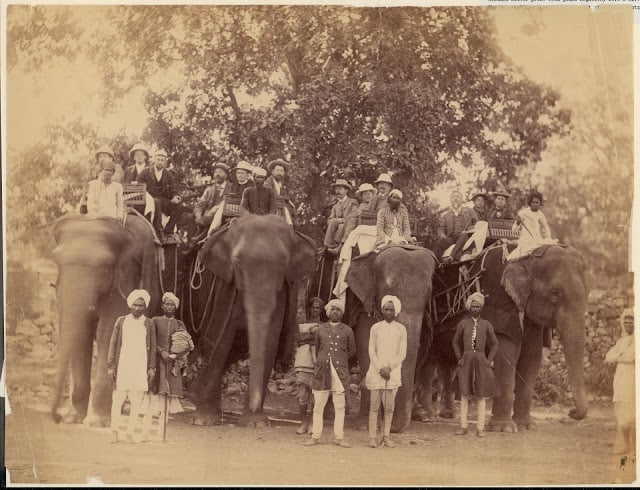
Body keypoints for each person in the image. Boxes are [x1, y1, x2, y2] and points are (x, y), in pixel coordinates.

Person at [304, 299, 356, 448]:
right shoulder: (321, 329)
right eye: (333, 309)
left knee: (340, 406)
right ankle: (315, 436)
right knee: (318, 405)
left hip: (340, 372)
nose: (335, 312)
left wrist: (340, 358)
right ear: (328, 312)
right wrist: (322, 360)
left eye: (338, 310)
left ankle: (339, 437)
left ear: (341, 313)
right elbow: (318, 348)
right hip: (322, 371)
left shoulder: (347, 330)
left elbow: (352, 351)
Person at [107, 289, 156, 443]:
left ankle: (129, 434)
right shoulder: (121, 321)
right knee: (117, 401)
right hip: (123, 366)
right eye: (135, 305)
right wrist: (111, 366)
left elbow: (153, 347)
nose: (137, 308)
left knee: (136, 403)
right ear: (130, 305)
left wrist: (151, 367)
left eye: (141, 305)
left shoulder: (149, 323)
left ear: (145, 306)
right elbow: (113, 344)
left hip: (140, 367)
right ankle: (115, 432)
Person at [452, 292, 499, 438]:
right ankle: (463, 427)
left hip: (480, 360)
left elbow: (495, 344)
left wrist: (488, 359)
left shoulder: (486, 325)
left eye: (478, 306)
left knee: (481, 395)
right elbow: (455, 342)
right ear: (469, 307)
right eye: (473, 306)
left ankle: (480, 428)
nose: (475, 309)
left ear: (481, 308)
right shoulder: (463, 324)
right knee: (464, 394)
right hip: (466, 360)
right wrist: (459, 357)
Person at [365, 295, 407, 448]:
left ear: (396, 311)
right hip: (377, 372)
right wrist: (379, 367)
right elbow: (371, 350)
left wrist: (390, 367)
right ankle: (371, 437)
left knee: (389, 408)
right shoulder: (375, 328)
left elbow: (402, 353)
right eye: (386, 309)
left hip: (392, 373)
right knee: (374, 407)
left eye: (391, 310)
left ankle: (386, 436)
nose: (388, 312)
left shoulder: (401, 329)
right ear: (382, 310)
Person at [147, 292, 194, 423]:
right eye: (167, 304)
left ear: (175, 307)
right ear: (162, 306)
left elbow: (187, 345)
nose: (169, 307)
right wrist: (162, 352)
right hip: (157, 361)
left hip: (173, 364)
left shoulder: (180, 324)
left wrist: (175, 355)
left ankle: (162, 430)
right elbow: (151, 341)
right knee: (154, 393)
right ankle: (147, 429)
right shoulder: (155, 321)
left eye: (172, 304)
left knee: (168, 396)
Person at [137, 149, 185, 243]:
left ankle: (168, 229)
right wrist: (145, 196)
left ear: (165, 162)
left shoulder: (168, 175)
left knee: (180, 207)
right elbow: (138, 186)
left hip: (163, 200)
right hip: (149, 200)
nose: (160, 162)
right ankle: (158, 230)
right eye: (158, 159)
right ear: (154, 160)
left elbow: (174, 190)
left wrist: (176, 197)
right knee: (156, 202)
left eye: (162, 160)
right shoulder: (145, 172)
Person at [605, 308, 635, 455]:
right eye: (626, 322)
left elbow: (632, 357)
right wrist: (619, 356)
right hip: (621, 377)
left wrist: (619, 357)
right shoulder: (621, 341)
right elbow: (608, 356)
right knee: (621, 408)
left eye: (631, 322)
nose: (628, 325)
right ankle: (627, 445)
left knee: (633, 410)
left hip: (633, 376)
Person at [294, 297, 325, 435]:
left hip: (317, 362)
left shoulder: (324, 325)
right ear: (310, 308)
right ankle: (303, 423)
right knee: (302, 395)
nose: (315, 310)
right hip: (303, 361)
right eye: (313, 307)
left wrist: (309, 337)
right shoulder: (302, 324)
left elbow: (324, 342)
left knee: (315, 395)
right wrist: (311, 335)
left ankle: (312, 423)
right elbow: (297, 340)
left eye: (318, 308)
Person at [507, 191, 555, 261]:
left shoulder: (540, 214)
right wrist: (518, 222)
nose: (535, 204)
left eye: (537, 202)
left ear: (540, 203)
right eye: (533, 202)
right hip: (526, 240)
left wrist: (548, 238)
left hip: (537, 240)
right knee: (523, 256)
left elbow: (546, 228)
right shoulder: (523, 213)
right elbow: (514, 230)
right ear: (530, 203)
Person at [446, 192, 489, 263]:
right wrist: (471, 228)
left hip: (483, 233)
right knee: (464, 234)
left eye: (482, 201)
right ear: (474, 202)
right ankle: (453, 256)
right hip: (472, 233)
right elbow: (468, 223)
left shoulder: (487, 213)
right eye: (478, 200)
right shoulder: (469, 211)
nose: (480, 202)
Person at [192, 162, 231, 239]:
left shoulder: (232, 188)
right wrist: (199, 217)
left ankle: (200, 237)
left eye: (220, 172)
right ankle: (193, 241)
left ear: (226, 175)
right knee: (190, 219)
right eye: (216, 172)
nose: (217, 174)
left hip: (223, 216)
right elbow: (200, 205)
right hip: (207, 217)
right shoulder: (209, 190)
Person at [433, 190, 475, 260]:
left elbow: (476, 223)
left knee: (463, 234)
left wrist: (470, 229)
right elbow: (441, 228)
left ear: (461, 199)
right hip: (452, 238)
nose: (455, 198)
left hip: (466, 237)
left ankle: (451, 256)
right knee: (439, 243)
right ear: (450, 200)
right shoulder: (446, 215)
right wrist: (442, 234)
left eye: (457, 196)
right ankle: (437, 264)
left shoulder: (469, 211)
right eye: (453, 197)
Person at [323, 178, 359, 255]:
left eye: (340, 189)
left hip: (350, 227)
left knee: (342, 225)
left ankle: (331, 245)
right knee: (336, 223)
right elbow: (329, 220)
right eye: (336, 189)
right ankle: (328, 245)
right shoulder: (335, 206)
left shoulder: (353, 202)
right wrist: (337, 220)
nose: (337, 191)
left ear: (346, 190)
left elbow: (354, 216)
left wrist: (342, 220)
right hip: (337, 228)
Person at [265, 158, 296, 224]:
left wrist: (289, 202)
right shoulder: (268, 182)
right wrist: (286, 199)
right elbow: (271, 195)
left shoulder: (283, 185)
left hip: (281, 208)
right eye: (277, 170)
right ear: (273, 171)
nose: (279, 173)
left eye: (281, 171)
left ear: (284, 173)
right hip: (269, 207)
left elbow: (286, 197)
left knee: (289, 213)